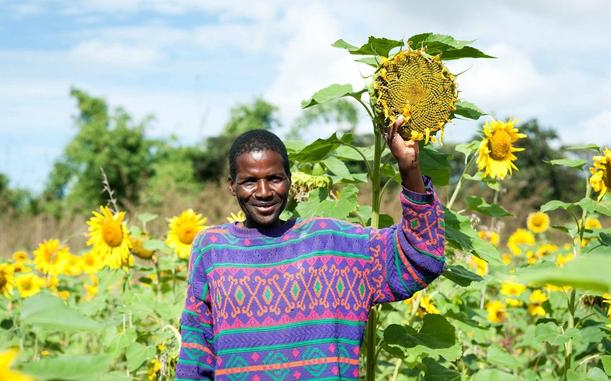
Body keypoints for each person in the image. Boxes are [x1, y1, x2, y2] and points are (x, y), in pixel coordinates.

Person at [175, 117, 445, 380]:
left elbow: (422, 256)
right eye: (249, 181)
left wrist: (409, 167)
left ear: (290, 180)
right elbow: (195, 356)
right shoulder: (212, 250)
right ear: (231, 186)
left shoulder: (331, 244)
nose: (264, 191)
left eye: (274, 178)